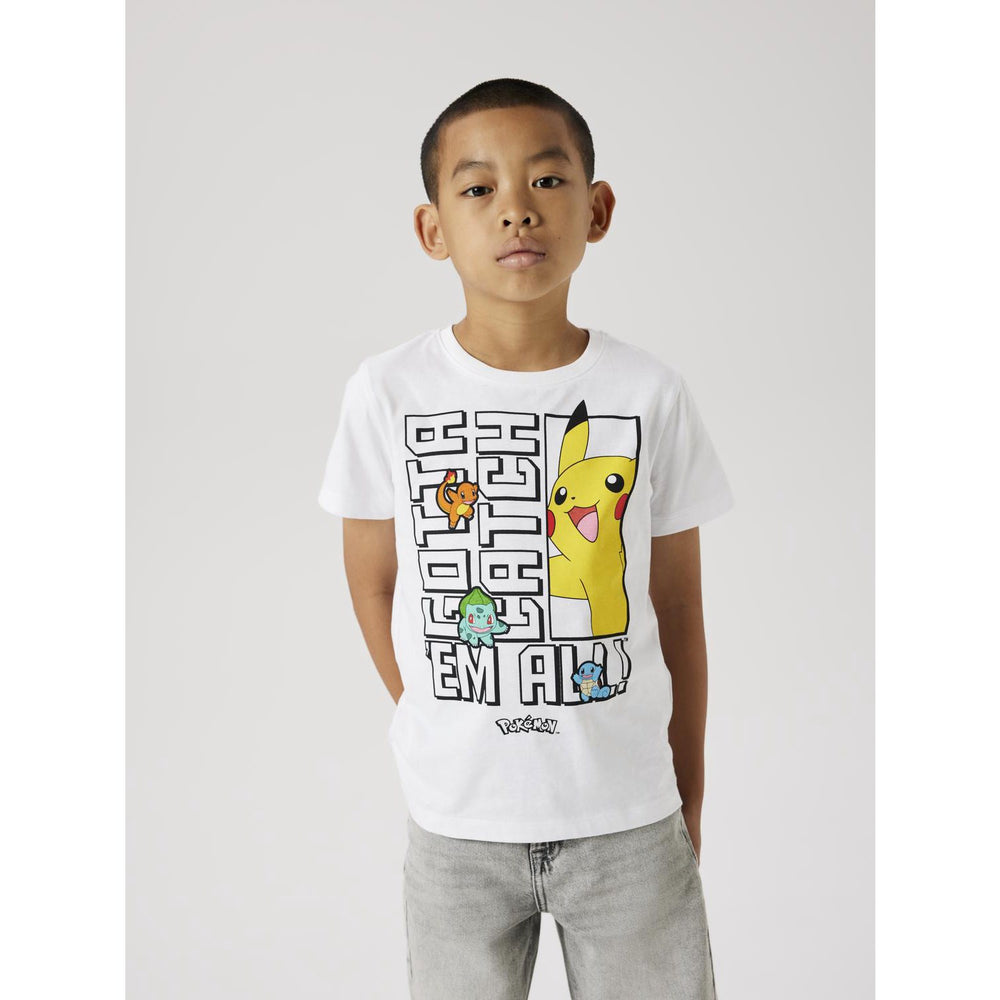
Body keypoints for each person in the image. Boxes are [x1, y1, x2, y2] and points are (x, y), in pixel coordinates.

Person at [318, 77, 735, 1000]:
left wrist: (688, 789)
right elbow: (375, 584)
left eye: (547, 181)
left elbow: (678, 609)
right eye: (478, 189)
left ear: (598, 209)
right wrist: (431, 712)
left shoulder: (649, 393)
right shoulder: (387, 392)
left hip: (627, 820)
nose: (516, 210)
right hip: (457, 828)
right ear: (433, 229)